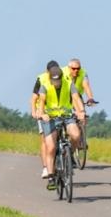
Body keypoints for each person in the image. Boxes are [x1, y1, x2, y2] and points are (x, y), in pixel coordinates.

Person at [30, 60, 86, 189]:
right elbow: (41, 101)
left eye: (58, 81)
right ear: (50, 79)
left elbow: (76, 98)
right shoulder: (45, 85)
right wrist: (41, 113)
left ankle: (69, 154)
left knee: (76, 135)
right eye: (54, 81)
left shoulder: (68, 82)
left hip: (66, 115)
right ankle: (50, 176)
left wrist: (81, 111)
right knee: (50, 147)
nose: (57, 84)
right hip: (50, 118)